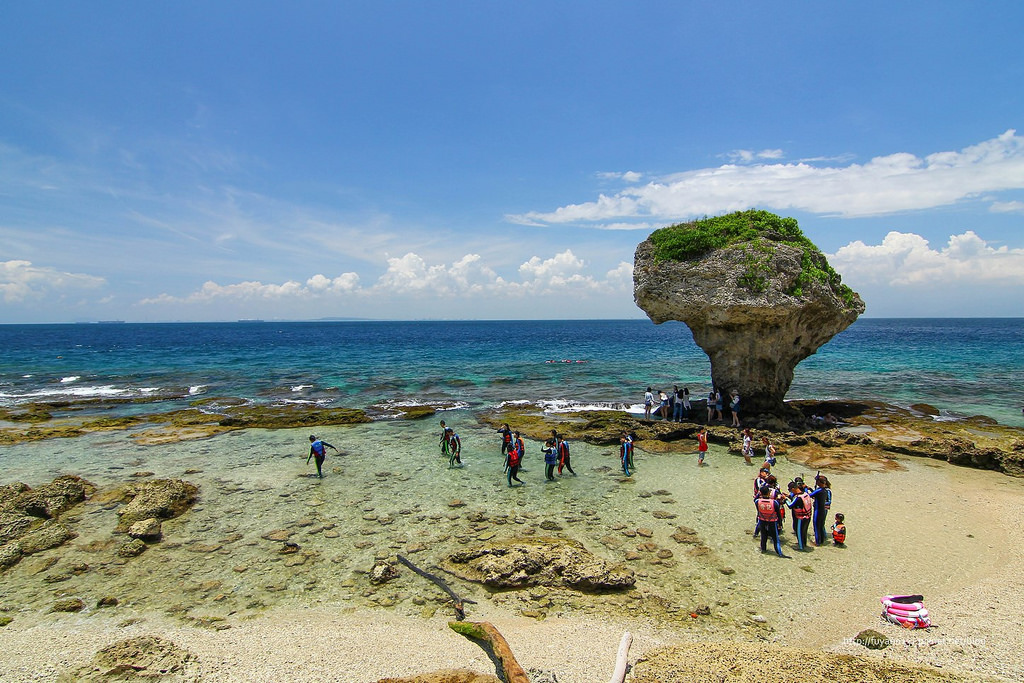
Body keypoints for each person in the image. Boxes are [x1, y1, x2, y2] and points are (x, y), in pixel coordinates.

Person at [755, 486, 787, 557]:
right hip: (772, 522)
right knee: (775, 538)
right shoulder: (774, 502)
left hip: (762, 521)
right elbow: (778, 514)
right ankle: (780, 554)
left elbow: (758, 511)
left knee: (763, 537)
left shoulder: (757, 501)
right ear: (769, 493)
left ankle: (763, 550)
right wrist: (780, 524)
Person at [786, 481, 812, 551]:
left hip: (801, 518)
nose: (790, 491)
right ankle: (804, 544)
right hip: (808, 516)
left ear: (794, 488)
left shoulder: (798, 497)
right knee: (804, 531)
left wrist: (785, 499)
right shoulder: (806, 494)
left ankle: (800, 547)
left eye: (790, 490)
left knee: (799, 532)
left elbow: (790, 505)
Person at [808, 474, 833, 546]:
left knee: (818, 525)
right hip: (821, 509)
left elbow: (811, 495)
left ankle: (818, 542)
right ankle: (822, 539)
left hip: (821, 509)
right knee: (821, 525)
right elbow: (816, 495)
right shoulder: (823, 490)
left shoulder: (826, 491)